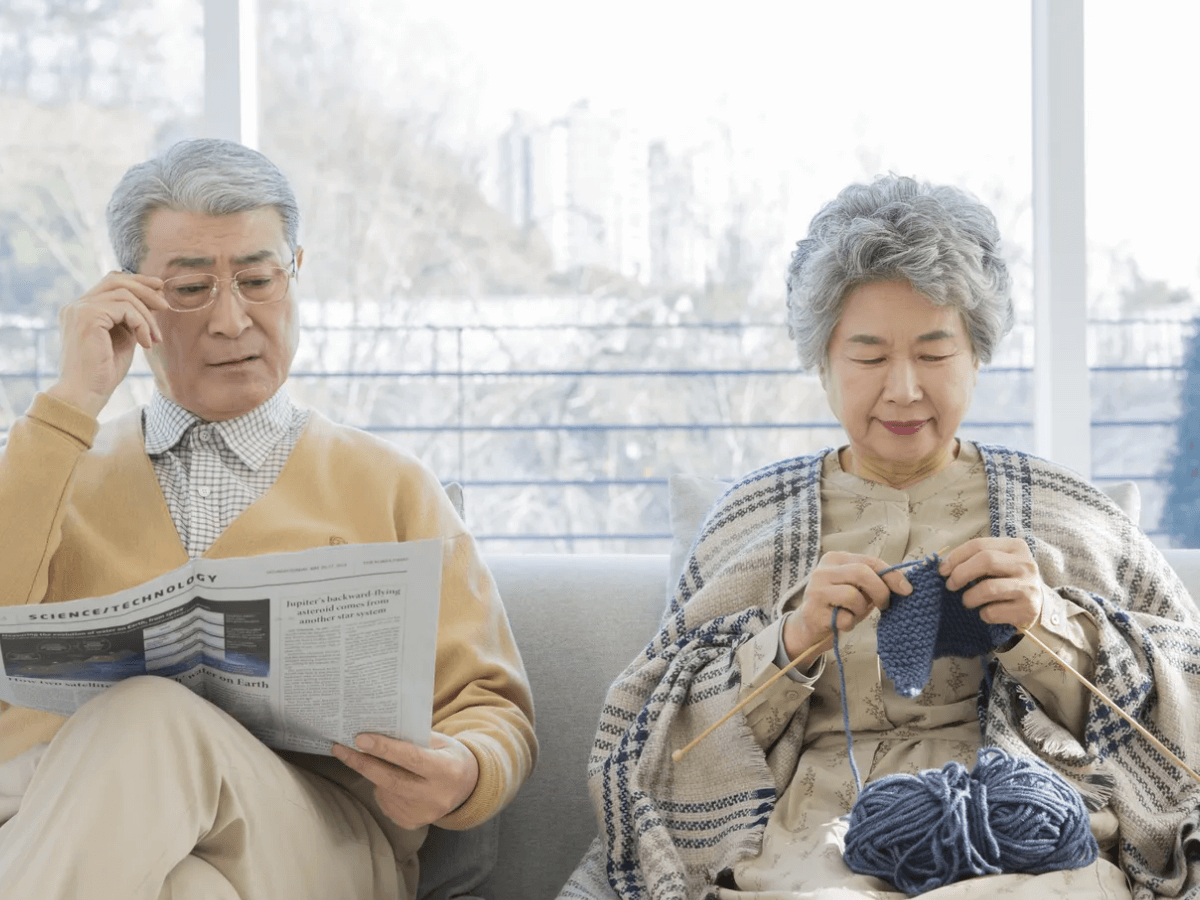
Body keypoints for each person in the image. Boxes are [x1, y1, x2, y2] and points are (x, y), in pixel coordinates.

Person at [561, 175, 1200, 899]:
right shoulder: (753, 520)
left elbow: (1181, 709)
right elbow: (656, 747)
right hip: (813, 837)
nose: (902, 388)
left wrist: (1047, 626)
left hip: (1025, 827)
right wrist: (790, 644)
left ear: (977, 357)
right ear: (823, 365)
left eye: (934, 354)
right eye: (868, 357)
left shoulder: (1068, 513)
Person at [0, 138, 536, 900]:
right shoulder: (51, 465)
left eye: (257, 280)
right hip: (65, 817)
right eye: (191, 288)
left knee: (151, 716)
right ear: (131, 298)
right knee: (190, 890)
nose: (231, 320)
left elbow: (489, 705)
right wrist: (70, 404)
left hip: (318, 843)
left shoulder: (390, 485)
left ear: (296, 273)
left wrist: (466, 771)